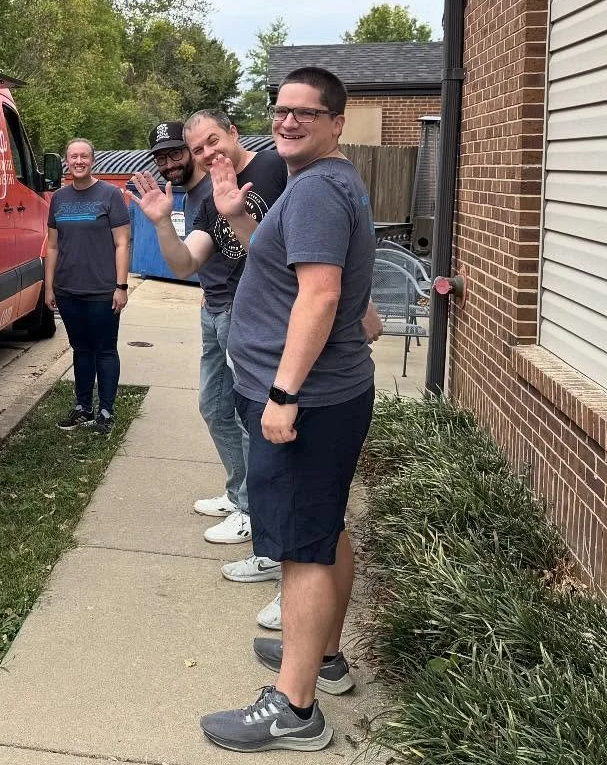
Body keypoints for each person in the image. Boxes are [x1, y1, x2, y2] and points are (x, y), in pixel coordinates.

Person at [198, 67, 376, 754]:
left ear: (337, 121)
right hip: (330, 392)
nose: (288, 120)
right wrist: (237, 214)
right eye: (281, 110)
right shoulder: (326, 186)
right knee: (324, 528)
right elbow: (288, 261)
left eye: (307, 112)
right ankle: (321, 657)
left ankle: (295, 710)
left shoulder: (316, 192)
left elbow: (321, 295)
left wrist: (282, 394)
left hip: (305, 400)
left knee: (302, 549)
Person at [131, 112, 287, 580]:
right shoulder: (205, 201)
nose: (206, 154)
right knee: (219, 407)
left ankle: (267, 532)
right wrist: (161, 222)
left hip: (266, 320)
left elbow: (291, 254)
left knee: (262, 423)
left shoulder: (276, 168)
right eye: (198, 149)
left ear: (234, 133)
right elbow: (184, 264)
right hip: (224, 314)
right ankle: (250, 506)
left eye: (210, 142)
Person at [46, 138, 131, 436]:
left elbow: (122, 243)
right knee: (81, 350)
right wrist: (49, 288)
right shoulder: (59, 198)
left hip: (102, 291)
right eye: (73, 156)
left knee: (105, 350)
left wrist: (121, 286)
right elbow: (53, 246)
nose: (79, 161)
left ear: (92, 160)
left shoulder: (109, 195)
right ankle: (83, 409)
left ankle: (106, 412)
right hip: (68, 291)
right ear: (67, 161)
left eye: (84, 156)